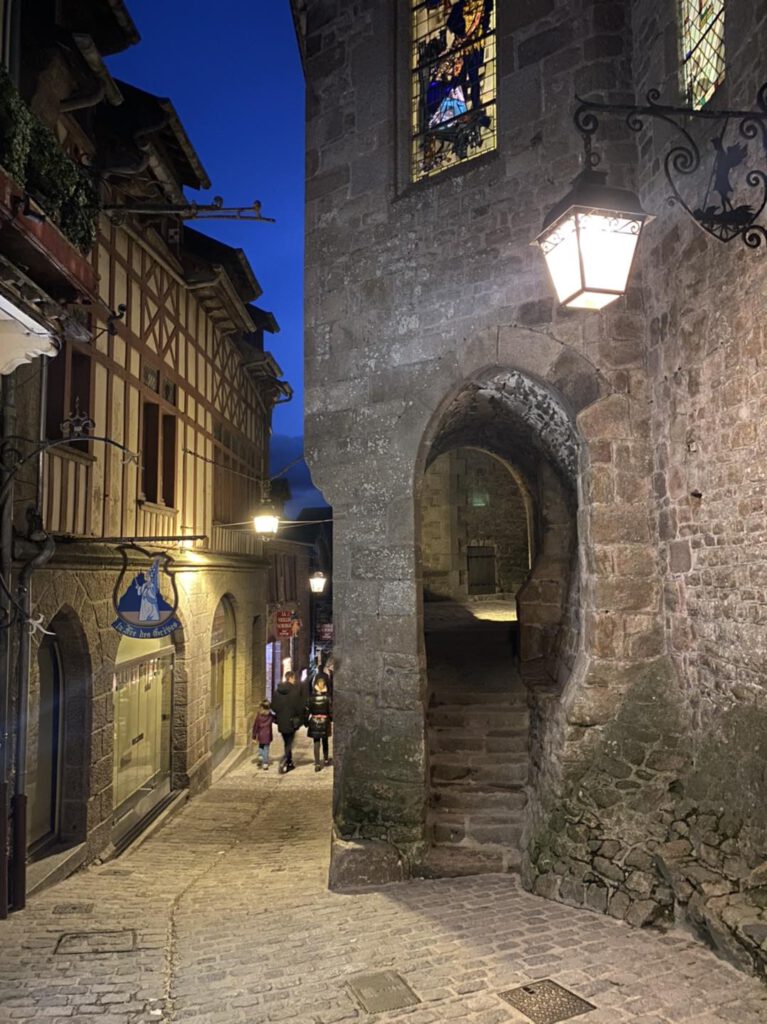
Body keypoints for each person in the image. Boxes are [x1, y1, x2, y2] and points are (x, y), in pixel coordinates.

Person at [270, 670, 304, 773]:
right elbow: (299, 708)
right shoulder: (295, 692)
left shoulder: (276, 692)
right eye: (294, 678)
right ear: (290, 678)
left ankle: (289, 762)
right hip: (291, 721)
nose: (294, 680)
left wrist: (280, 713)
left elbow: (274, 707)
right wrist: (300, 717)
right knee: (289, 742)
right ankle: (285, 760)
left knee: (287, 742)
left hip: (281, 721)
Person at [305, 674, 332, 772]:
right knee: (325, 741)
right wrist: (331, 719)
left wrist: (306, 722)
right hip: (325, 721)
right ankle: (325, 759)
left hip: (314, 721)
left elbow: (307, 711)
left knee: (316, 742)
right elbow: (331, 711)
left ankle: (317, 763)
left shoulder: (311, 697)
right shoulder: (327, 697)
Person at [252, 700, 274, 771]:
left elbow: (255, 726)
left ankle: (260, 756)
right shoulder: (270, 716)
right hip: (267, 735)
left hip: (260, 735)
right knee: (266, 749)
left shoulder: (259, 716)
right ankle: (265, 764)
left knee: (261, 746)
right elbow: (276, 720)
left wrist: (254, 736)